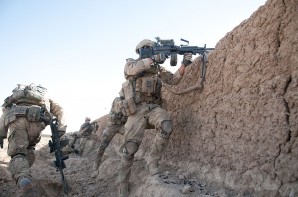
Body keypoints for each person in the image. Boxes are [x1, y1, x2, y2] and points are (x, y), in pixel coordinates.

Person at [118, 39, 193, 197]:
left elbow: (173, 80)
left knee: (166, 125)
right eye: (147, 49)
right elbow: (131, 71)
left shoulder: (157, 69)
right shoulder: (131, 64)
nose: (149, 50)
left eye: (151, 49)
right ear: (140, 51)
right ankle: (123, 183)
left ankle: (153, 161)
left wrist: (184, 64)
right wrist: (152, 59)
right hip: (136, 110)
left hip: (153, 107)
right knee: (130, 148)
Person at [0, 83, 67, 197]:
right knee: (30, 148)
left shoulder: (15, 98)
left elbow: (5, 112)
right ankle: (25, 175)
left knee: (17, 154)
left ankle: (24, 179)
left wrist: (2, 133)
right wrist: (61, 128)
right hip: (37, 123)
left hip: (18, 120)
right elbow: (60, 110)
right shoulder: (44, 97)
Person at [91, 97, 127, 178]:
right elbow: (120, 108)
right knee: (103, 145)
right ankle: (96, 163)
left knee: (131, 134)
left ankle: (122, 151)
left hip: (121, 126)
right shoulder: (118, 99)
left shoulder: (129, 99)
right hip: (111, 126)